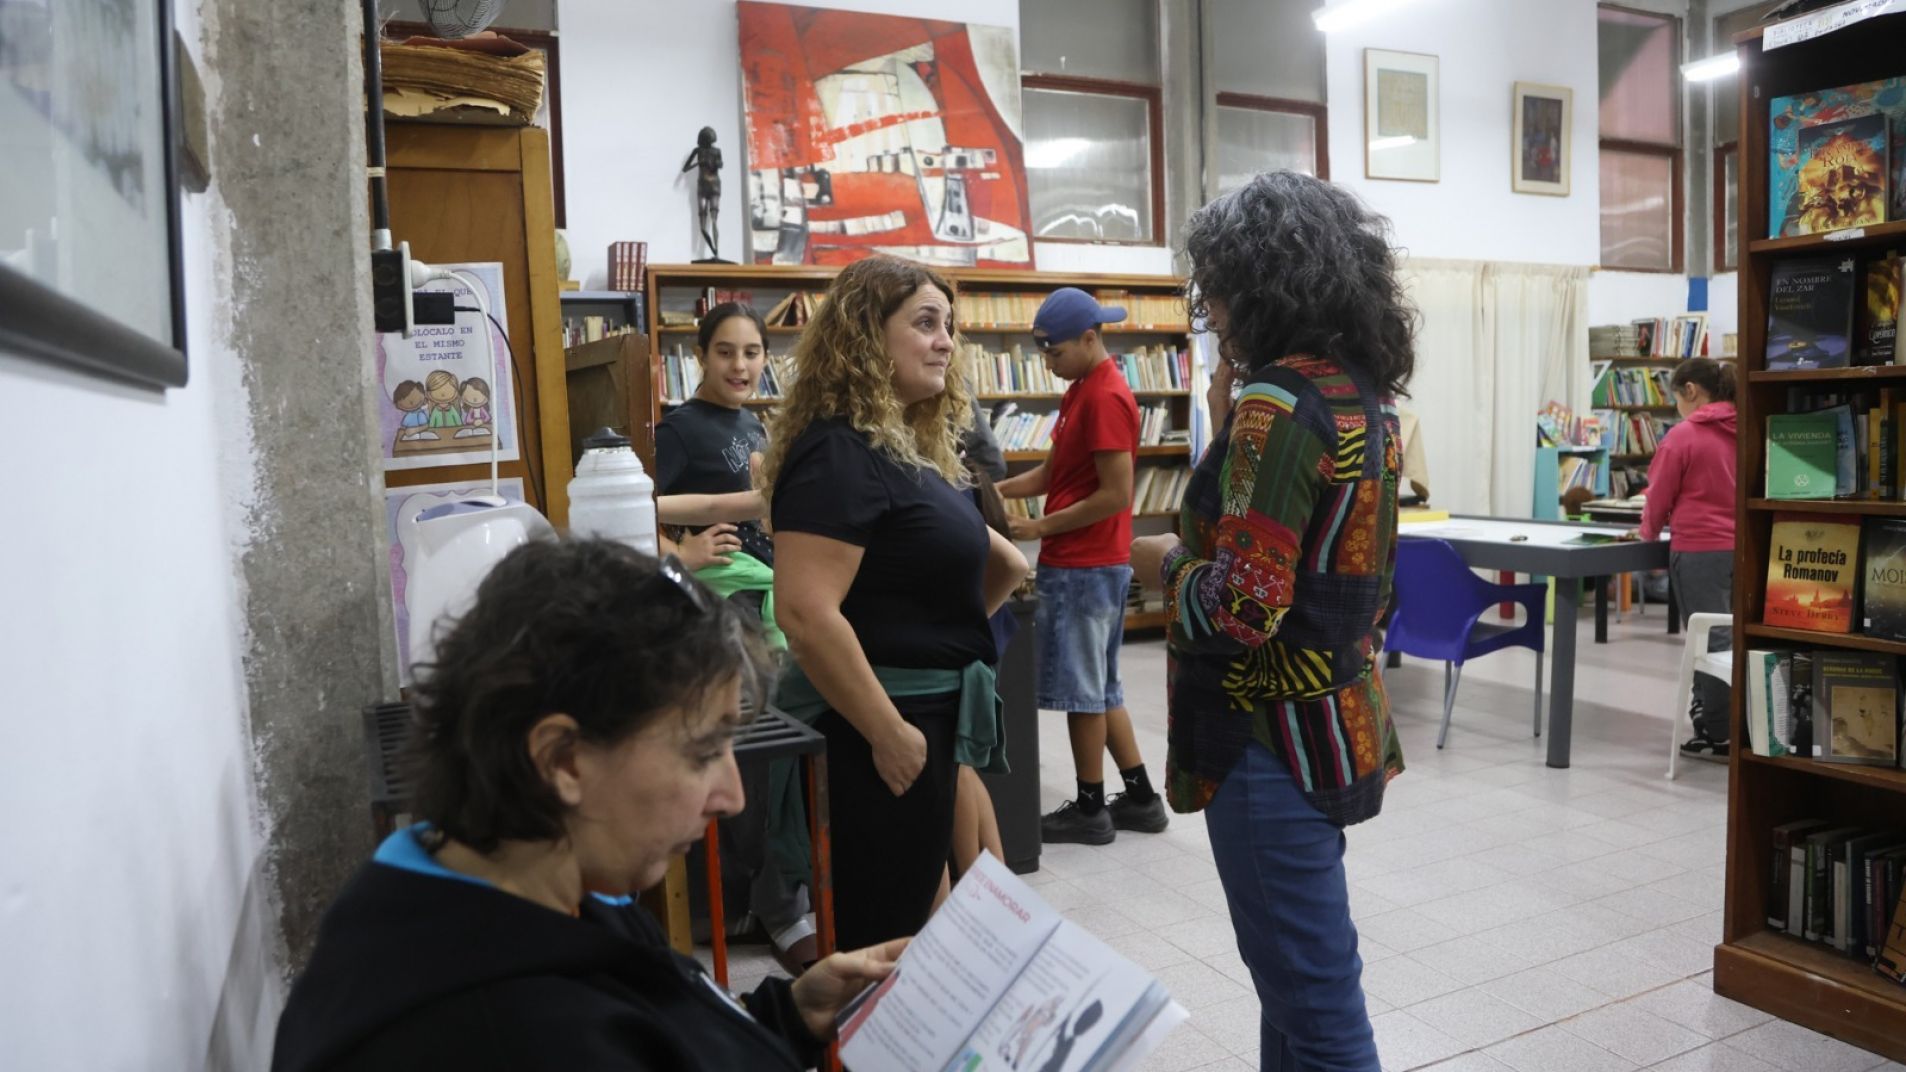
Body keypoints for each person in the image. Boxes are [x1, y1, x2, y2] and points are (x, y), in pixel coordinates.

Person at [270, 539, 906, 1072]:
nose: (732, 796)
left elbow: (659, 1027)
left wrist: (790, 1015)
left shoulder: (533, 888)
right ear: (563, 761)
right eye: (702, 750)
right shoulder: (510, 1035)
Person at [1129, 172, 1412, 1072]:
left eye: (1213, 283)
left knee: (1319, 1008)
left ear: (1256, 280)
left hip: (1261, 739)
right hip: (1328, 719)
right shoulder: (1356, 393)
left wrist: (1162, 562)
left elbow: (1242, 608)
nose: (1207, 306)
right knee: (1293, 993)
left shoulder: (1279, 405)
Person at [765, 255, 1027, 951]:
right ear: (864, 336)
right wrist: (890, 731)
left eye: (949, 325)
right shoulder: (836, 454)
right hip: (878, 737)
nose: (946, 341)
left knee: (922, 937)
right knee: (885, 940)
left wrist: (955, 639)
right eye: (925, 323)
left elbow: (1004, 562)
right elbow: (804, 612)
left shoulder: (904, 450)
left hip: (927, 725)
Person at [654, 301, 814, 972]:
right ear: (700, 355)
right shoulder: (678, 430)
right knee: (750, 757)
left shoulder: (755, 424)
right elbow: (638, 513)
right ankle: (779, 909)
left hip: (772, 605)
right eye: (727, 352)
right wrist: (680, 558)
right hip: (719, 617)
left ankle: (771, 899)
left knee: (777, 760)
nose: (741, 365)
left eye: (752, 353)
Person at [995, 287, 1166, 846]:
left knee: (1081, 692)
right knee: (1102, 687)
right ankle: (1140, 798)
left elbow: (1117, 495)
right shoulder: (1079, 389)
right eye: (1041, 352)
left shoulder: (1106, 397)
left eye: (1054, 351)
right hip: (1080, 563)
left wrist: (1038, 530)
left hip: (1088, 567)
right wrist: (992, 493)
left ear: (1090, 339)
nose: (1047, 362)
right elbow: (1051, 473)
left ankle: (1090, 808)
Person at [1640, 357, 1738, 758]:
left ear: (1691, 391)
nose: (1676, 407)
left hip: (1698, 549)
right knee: (1734, 638)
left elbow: (1659, 495)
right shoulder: (1745, 426)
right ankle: (1740, 724)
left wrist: (1647, 533)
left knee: (1708, 643)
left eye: (1676, 398)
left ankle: (1716, 734)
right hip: (1743, 548)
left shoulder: (1683, 436)